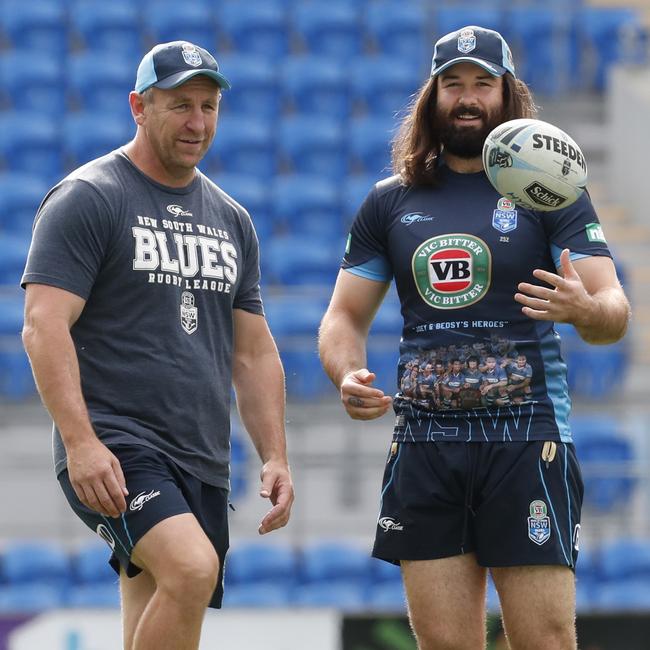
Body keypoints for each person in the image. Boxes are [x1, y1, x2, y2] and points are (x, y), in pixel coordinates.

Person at [319, 25, 630, 650]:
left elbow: (614, 309)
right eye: (453, 84)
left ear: (507, 94)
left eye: (482, 84)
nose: (467, 98)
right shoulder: (390, 201)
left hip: (527, 439)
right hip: (426, 445)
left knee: (544, 640)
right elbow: (342, 318)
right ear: (431, 97)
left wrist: (582, 308)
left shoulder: (550, 189)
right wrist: (346, 372)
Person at [21, 41, 294, 650]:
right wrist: (81, 442)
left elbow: (253, 352)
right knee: (193, 568)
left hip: (200, 454)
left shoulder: (232, 219)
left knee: (158, 605)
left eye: (209, 106)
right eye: (179, 106)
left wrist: (274, 454)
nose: (198, 123)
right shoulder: (90, 196)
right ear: (138, 108)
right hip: (117, 447)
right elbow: (43, 325)